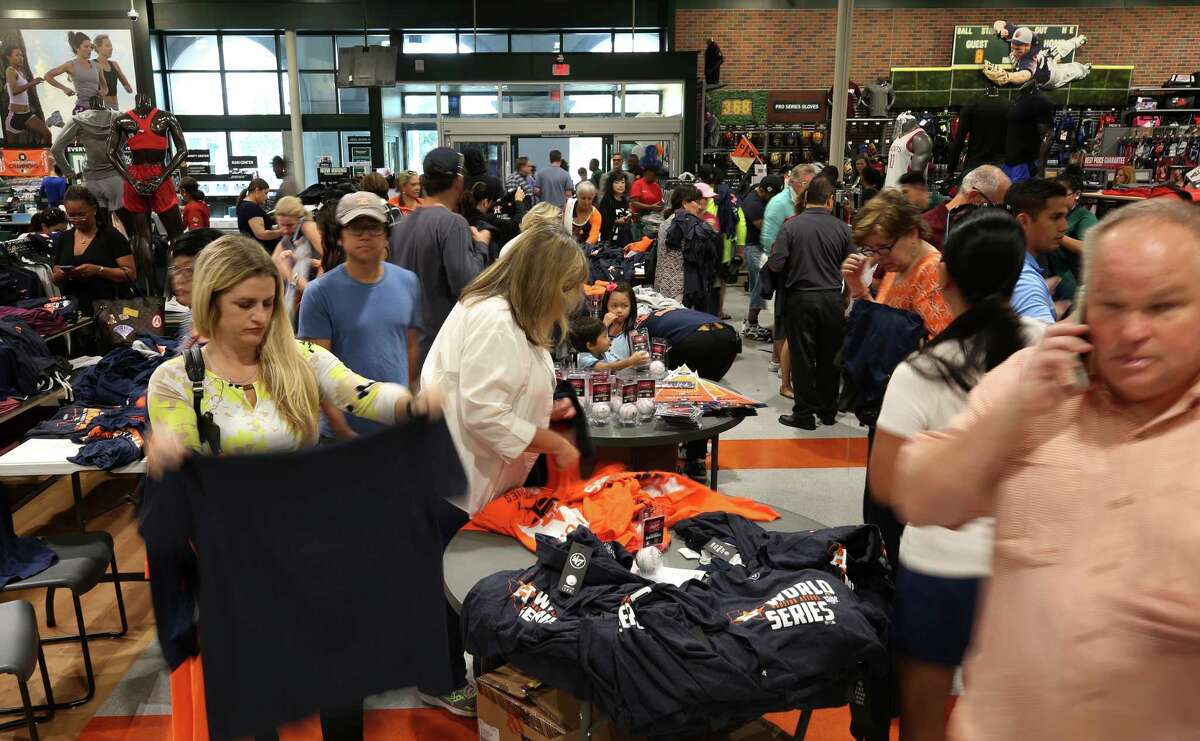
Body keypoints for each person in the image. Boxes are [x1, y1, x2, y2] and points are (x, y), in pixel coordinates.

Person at [894, 198, 1200, 740]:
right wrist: (1013, 414)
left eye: (1163, 307)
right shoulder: (1036, 379)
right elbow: (919, 495)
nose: (1131, 331)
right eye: (1111, 305)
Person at [146, 235, 438, 741]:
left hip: (315, 545)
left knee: (342, 675)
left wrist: (410, 405)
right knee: (260, 690)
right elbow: (178, 444)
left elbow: (362, 393)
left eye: (267, 302)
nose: (260, 316)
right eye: (244, 305)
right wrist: (169, 453)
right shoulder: (177, 380)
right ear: (209, 300)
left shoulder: (299, 358)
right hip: (238, 560)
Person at [867, 209, 1044, 741]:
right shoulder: (1047, 349)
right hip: (1025, 563)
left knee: (923, 717)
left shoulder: (922, 371)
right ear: (1018, 274)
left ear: (943, 277)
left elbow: (887, 486)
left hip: (939, 564)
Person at [420, 222, 586, 717]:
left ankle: (467, 670)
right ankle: (441, 679)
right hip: (455, 474)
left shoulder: (508, 312)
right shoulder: (495, 317)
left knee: (460, 576)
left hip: (470, 468)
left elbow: (498, 391)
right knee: (446, 583)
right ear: (546, 282)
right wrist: (549, 439)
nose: (577, 297)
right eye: (571, 286)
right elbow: (483, 411)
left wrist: (541, 415)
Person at [300, 192, 421, 440]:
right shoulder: (319, 294)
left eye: (373, 228)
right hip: (342, 435)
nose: (365, 235)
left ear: (386, 234)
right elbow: (316, 372)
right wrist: (342, 430)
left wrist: (409, 402)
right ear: (341, 237)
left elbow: (410, 345)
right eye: (356, 229)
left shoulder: (408, 281)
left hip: (395, 427)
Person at [768, 176, 853, 430]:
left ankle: (804, 414)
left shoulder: (791, 226)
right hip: (831, 298)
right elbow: (851, 266)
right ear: (829, 200)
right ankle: (828, 410)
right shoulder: (842, 228)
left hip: (801, 297)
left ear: (805, 199)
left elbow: (776, 263)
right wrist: (846, 293)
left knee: (803, 356)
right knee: (831, 356)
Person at [391, 147, 490, 357]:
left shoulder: (401, 227)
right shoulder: (452, 224)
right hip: (441, 346)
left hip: (406, 346)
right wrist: (481, 246)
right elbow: (468, 285)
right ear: (458, 182)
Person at [842, 189, 954, 339]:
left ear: (912, 233)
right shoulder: (899, 265)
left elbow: (941, 347)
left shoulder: (932, 273)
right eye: (872, 249)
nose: (878, 257)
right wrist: (858, 287)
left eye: (883, 247)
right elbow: (880, 322)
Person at [762, 164, 821, 395]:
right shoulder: (778, 204)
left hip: (801, 271)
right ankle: (781, 367)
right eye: (808, 183)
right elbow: (768, 240)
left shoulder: (808, 206)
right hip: (786, 270)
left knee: (790, 323)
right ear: (795, 182)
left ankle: (781, 364)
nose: (811, 187)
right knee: (784, 321)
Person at [51, 185, 136, 313]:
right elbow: (55, 278)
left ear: (94, 210)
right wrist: (62, 274)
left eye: (81, 215)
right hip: (75, 311)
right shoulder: (65, 238)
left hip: (110, 311)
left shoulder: (111, 236)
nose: (77, 220)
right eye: (71, 215)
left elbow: (130, 274)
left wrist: (98, 270)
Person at [1005, 177, 1068, 323]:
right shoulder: (1026, 284)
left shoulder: (1011, 264)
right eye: (1055, 217)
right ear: (1023, 221)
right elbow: (1045, 345)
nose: (1064, 226)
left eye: (1065, 216)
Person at [663, 182, 722, 313]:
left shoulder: (666, 222)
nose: (700, 205)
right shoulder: (688, 224)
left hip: (665, 283)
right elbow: (702, 255)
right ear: (685, 203)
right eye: (696, 201)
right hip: (684, 285)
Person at [922, 164, 1011, 250]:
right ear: (974, 196)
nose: (998, 215)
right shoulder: (926, 230)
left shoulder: (982, 231)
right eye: (996, 208)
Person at [1045, 171, 1097, 307]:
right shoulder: (1049, 212)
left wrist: (1057, 236)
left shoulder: (1084, 217)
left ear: (1077, 194)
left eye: (1062, 194)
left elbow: (1089, 248)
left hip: (1071, 283)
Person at [740, 175, 783, 343]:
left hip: (762, 247)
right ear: (763, 191)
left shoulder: (763, 196)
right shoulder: (753, 204)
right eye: (772, 196)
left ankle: (752, 321)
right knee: (760, 285)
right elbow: (765, 227)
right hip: (755, 248)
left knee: (759, 285)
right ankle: (751, 323)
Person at [166, 227, 223, 349]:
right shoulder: (192, 315)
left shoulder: (223, 329)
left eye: (189, 270)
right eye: (176, 269)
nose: (179, 279)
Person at [271, 195, 324, 323]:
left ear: (299, 219)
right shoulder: (289, 236)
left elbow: (330, 258)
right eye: (281, 225)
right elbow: (272, 265)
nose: (284, 229)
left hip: (315, 297)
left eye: (289, 225)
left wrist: (289, 273)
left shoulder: (308, 227)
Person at [44, 32, 107, 113]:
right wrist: (64, 88)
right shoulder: (70, 65)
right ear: (77, 48)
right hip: (81, 108)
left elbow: (105, 88)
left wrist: (103, 92)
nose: (90, 49)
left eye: (91, 47)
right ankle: (59, 122)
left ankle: (59, 123)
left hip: (97, 108)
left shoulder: (97, 66)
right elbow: (47, 76)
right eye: (86, 47)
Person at [3, 46, 50, 145]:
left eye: (21, 55)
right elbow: (14, 91)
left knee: (47, 134)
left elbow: (19, 90)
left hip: (27, 115)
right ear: (9, 57)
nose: (21, 58)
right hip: (14, 117)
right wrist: (32, 83)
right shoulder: (10, 70)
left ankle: (45, 159)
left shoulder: (21, 72)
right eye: (17, 55)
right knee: (12, 151)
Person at [569, 316, 648, 372]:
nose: (609, 338)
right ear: (590, 346)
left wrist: (636, 363)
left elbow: (618, 364)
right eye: (604, 336)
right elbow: (607, 367)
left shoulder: (604, 354)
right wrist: (631, 360)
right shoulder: (584, 359)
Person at [237, 177, 285, 253]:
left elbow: (266, 227)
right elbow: (261, 234)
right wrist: (283, 232)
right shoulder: (251, 208)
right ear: (257, 190)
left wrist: (279, 227)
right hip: (260, 251)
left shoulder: (246, 205)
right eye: (265, 193)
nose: (266, 197)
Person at [93, 34, 132, 110]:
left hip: (115, 106)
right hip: (101, 107)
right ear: (98, 48)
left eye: (111, 46)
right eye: (107, 46)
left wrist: (126, 85)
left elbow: (128, 89)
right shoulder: (92, 64)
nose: (111, 48)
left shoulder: (114, 64)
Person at [597, 174, 633, 248]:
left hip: (624, 238)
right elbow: (602, 221)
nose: (620, 185)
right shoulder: (607, 200)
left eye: (623, 182)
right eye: (617, 182)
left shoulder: (624, 200)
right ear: (611, 184)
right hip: (610, 240)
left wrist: (629, 215)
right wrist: (616, 221)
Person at [565, 181, 601, 245]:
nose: (586, 202)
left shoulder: (596, 215)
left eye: (589, 198)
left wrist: (584, 248)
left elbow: (594, 235)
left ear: (593, 198)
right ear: (577, 196)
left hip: (585, 249)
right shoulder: (568, 207)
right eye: (583, 198)